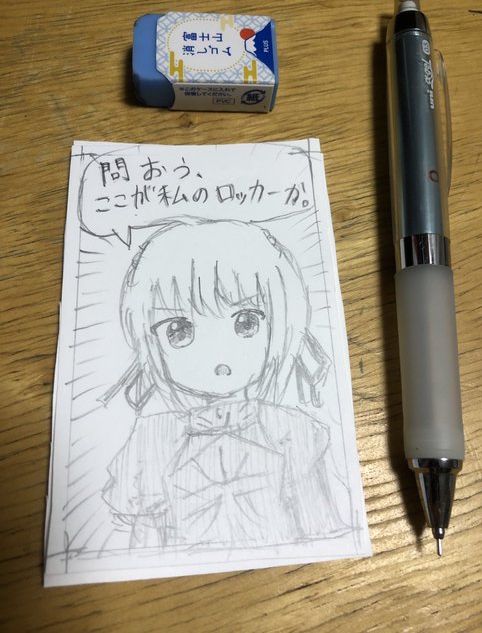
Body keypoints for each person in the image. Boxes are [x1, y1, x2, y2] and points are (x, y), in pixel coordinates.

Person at [103, 218, 350, 550]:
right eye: (179, 330)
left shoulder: (293, 431)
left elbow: (320, 530)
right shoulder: (151, 440)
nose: (217, 353)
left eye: (246, 323)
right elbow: (143, 544)